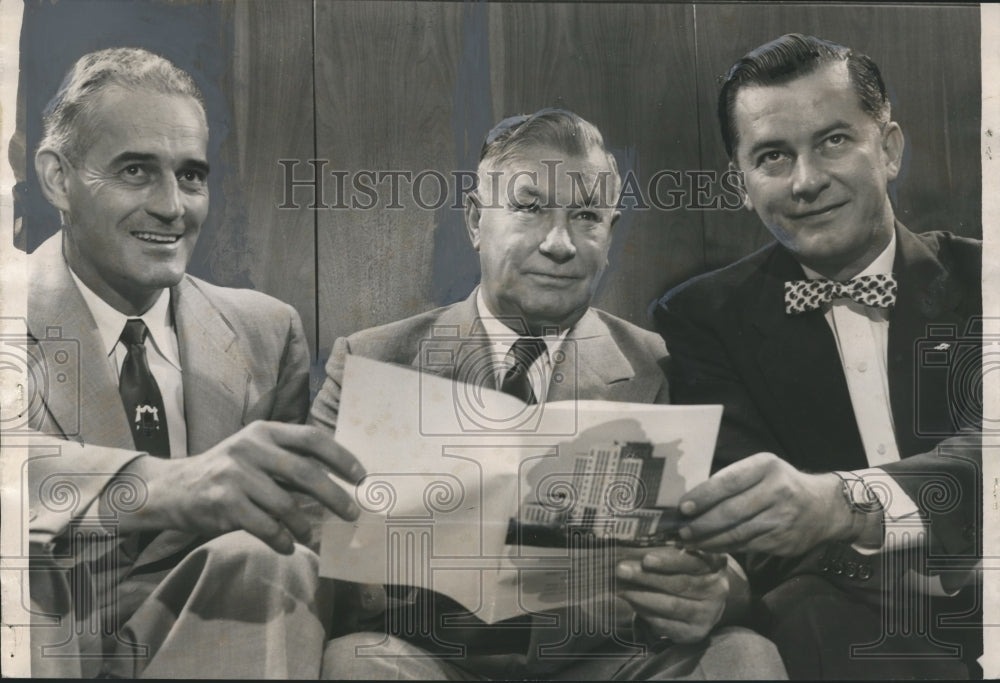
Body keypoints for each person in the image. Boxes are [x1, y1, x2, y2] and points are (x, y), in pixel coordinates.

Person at [312, 109, 786, 679]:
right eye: (530, 208)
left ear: (609, 236)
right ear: (474, 222)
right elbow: (307, 546)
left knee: (741, 652)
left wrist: (717, 590)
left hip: (607, 664)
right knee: (353, 663)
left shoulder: (659, 365)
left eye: (587, 215)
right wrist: (358, 573)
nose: (560, 243)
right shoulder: (370, 362)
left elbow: (730, 554)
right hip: (429, 663)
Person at [22, 47, 365, 678]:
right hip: (46, 648)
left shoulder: (266, 330)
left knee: (277, 563)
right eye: (135, 171)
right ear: (57, 178)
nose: (173, 207)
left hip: (222, 648)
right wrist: (179, 486)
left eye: (191, 175)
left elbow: (285, 532)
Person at [654, 34, 982, 679]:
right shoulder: (700, 319)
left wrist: (845, 503)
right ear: (742, 183)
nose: (806, 182)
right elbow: (752, 540)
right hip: (849, 631)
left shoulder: (987, 278)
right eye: (773, 156)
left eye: (834, 141)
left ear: (888, 149)